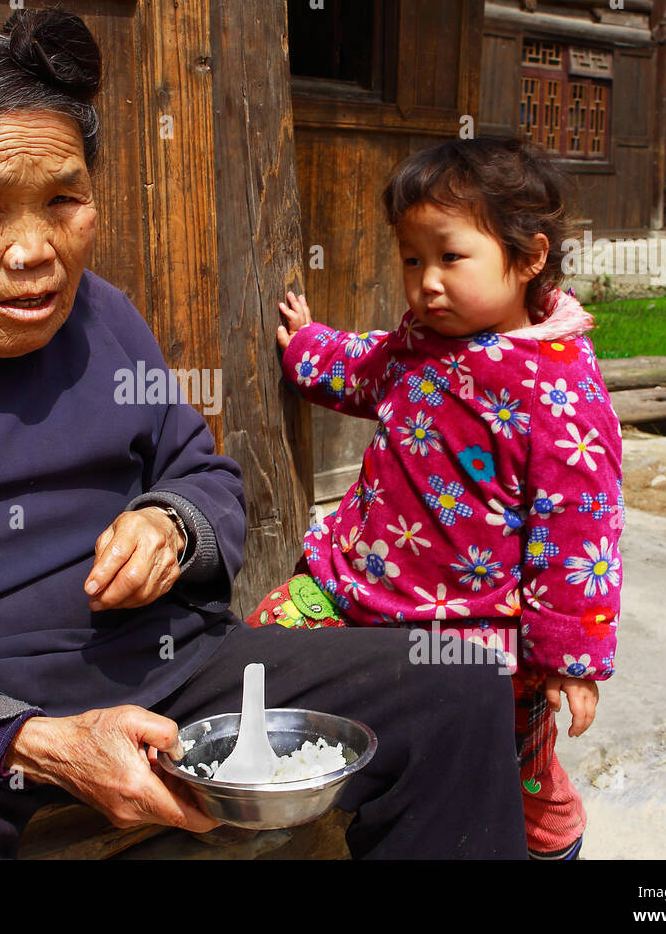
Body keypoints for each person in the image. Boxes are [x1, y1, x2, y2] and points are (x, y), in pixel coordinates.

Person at [0, 8, 527, 859]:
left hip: (157, 670)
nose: (34, 250)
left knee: (457, 682)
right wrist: (36, 739)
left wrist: (172, 524)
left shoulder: (103, 321)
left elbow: (207, 476)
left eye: (63, 200)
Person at [256, 136, 623, 861]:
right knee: (265, 650)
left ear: (529, 256)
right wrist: (304, 348)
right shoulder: (422, 342)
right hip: (354, 585)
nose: (426, 282)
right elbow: (363, 368)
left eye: (450, 257)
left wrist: (572, 659)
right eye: (412, 258)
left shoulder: (558, 392)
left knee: (499, 769)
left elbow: (579, 535)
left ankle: (552, 834)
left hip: (477, 634)